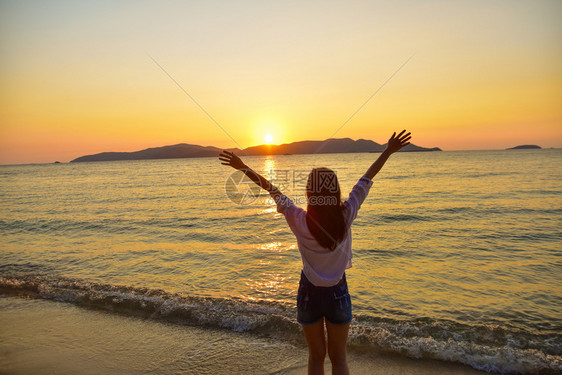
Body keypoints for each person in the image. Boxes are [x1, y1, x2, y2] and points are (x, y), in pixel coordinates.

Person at [219, 130, 411, 375]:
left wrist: (242, 166)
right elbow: (367, 178)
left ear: (310, 193)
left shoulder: (298, 219)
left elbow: (271, 188)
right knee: (339, 358)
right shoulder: (346, 214)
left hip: (309, 293)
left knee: (316, 357)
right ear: (335, 192)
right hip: (338, 293)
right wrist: (387, 151)